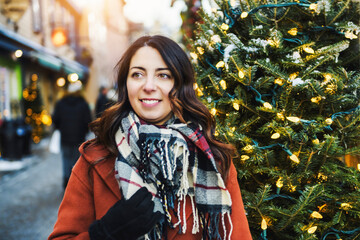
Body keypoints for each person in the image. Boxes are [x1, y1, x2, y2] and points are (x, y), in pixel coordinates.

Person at [48, 35, 253, 240]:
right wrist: (104, 234)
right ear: (125, 84)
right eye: (137, 74)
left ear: (180, 84)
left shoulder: (212, 160)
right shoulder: (94, 159)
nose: (148, 86)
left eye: (163, 75)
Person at [52, 82, 92, 189]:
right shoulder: (83, 103)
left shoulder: (61, 103)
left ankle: (66, 182)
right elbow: (88, 121)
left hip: (65, 137)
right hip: (79, 137)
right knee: (76, 161)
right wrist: (85, 130)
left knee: (65, 160)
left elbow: (55, 119)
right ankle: (75, 184)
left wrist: (60, 128)